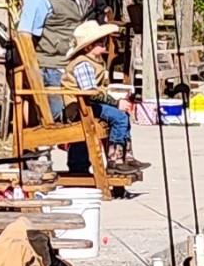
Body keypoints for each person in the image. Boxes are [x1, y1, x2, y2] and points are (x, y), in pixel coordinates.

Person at [17, 0, 99, 118]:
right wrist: (32, 75)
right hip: (52, 67)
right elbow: (24, 36)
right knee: (58, 118)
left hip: (74, 63)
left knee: (80, 116)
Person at [61, 20, 145, 175]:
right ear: (88, 47)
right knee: (119, 117)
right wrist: (115, 102)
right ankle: (114, 160)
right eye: (100, 42)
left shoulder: (94, 62)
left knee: (123, 114)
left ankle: (126, 155)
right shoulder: (83, 64)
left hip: (88, 104)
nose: (104, 43)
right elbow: (91, 92)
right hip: (79, 107)